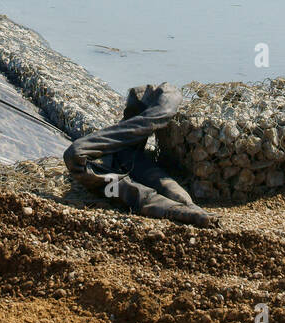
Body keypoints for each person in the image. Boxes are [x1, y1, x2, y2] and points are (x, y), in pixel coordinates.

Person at [63, 83, 214, 227]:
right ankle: (181, 210)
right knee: (131, 190)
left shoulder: (133, 150)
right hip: (109, 173)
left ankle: (188, 209)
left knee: (162, 187)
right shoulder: (127, 139)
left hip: (124, 165)